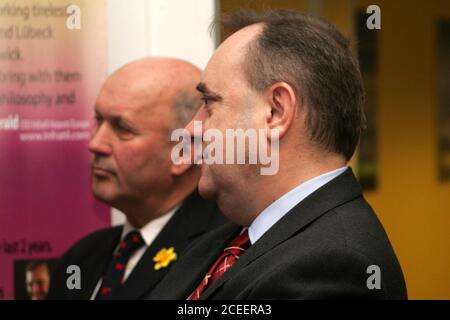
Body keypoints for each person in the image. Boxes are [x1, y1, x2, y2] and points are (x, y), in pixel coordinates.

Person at [146, 10, 407, 299]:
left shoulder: (334, 266)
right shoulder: (230, 238)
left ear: (275, 111)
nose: (191, 129)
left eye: (209, 103)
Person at [47, 57, 226, 300]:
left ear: (183, 152)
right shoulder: (82, 257)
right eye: (98, 120)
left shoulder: (222, 257)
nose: (96, 143)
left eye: (123, 129)